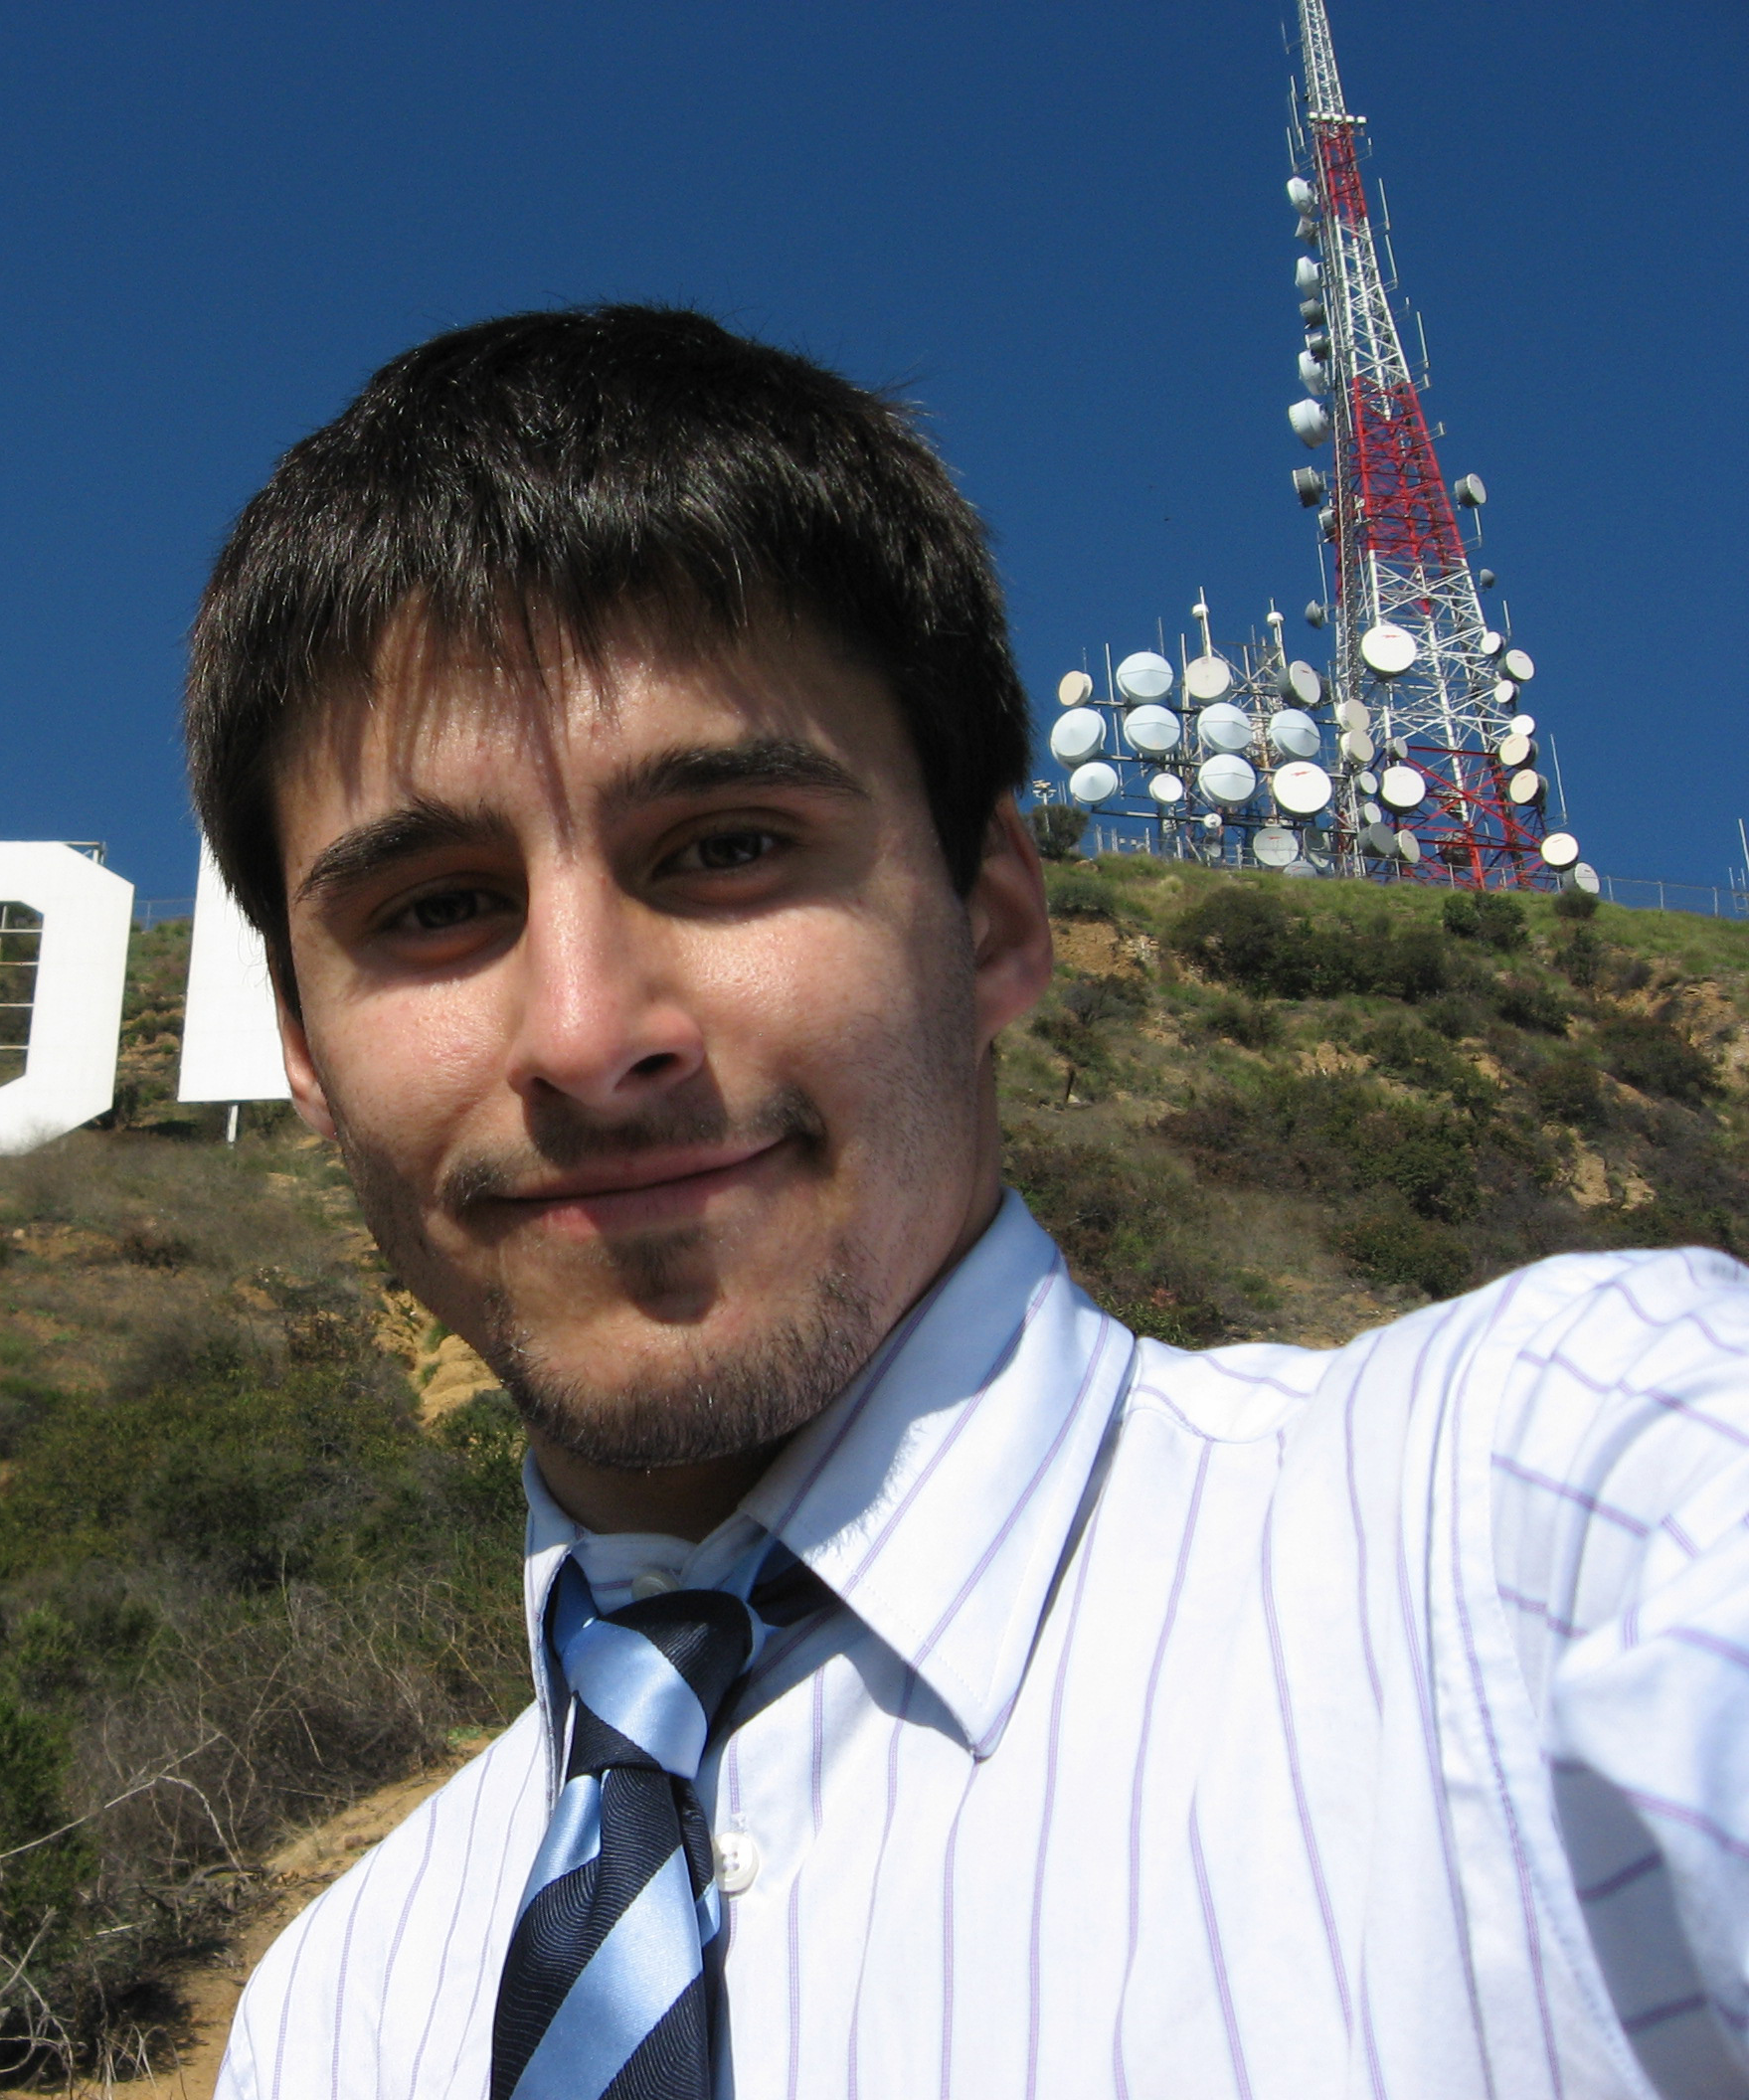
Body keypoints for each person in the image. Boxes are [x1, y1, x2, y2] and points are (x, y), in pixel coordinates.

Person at [182, 304, 1749, 2100]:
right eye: (437, 908)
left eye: (725, 847)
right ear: (302, 1050)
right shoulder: (333, 2018)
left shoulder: (1546, 1531)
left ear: (997, 918)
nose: (587, 1031)